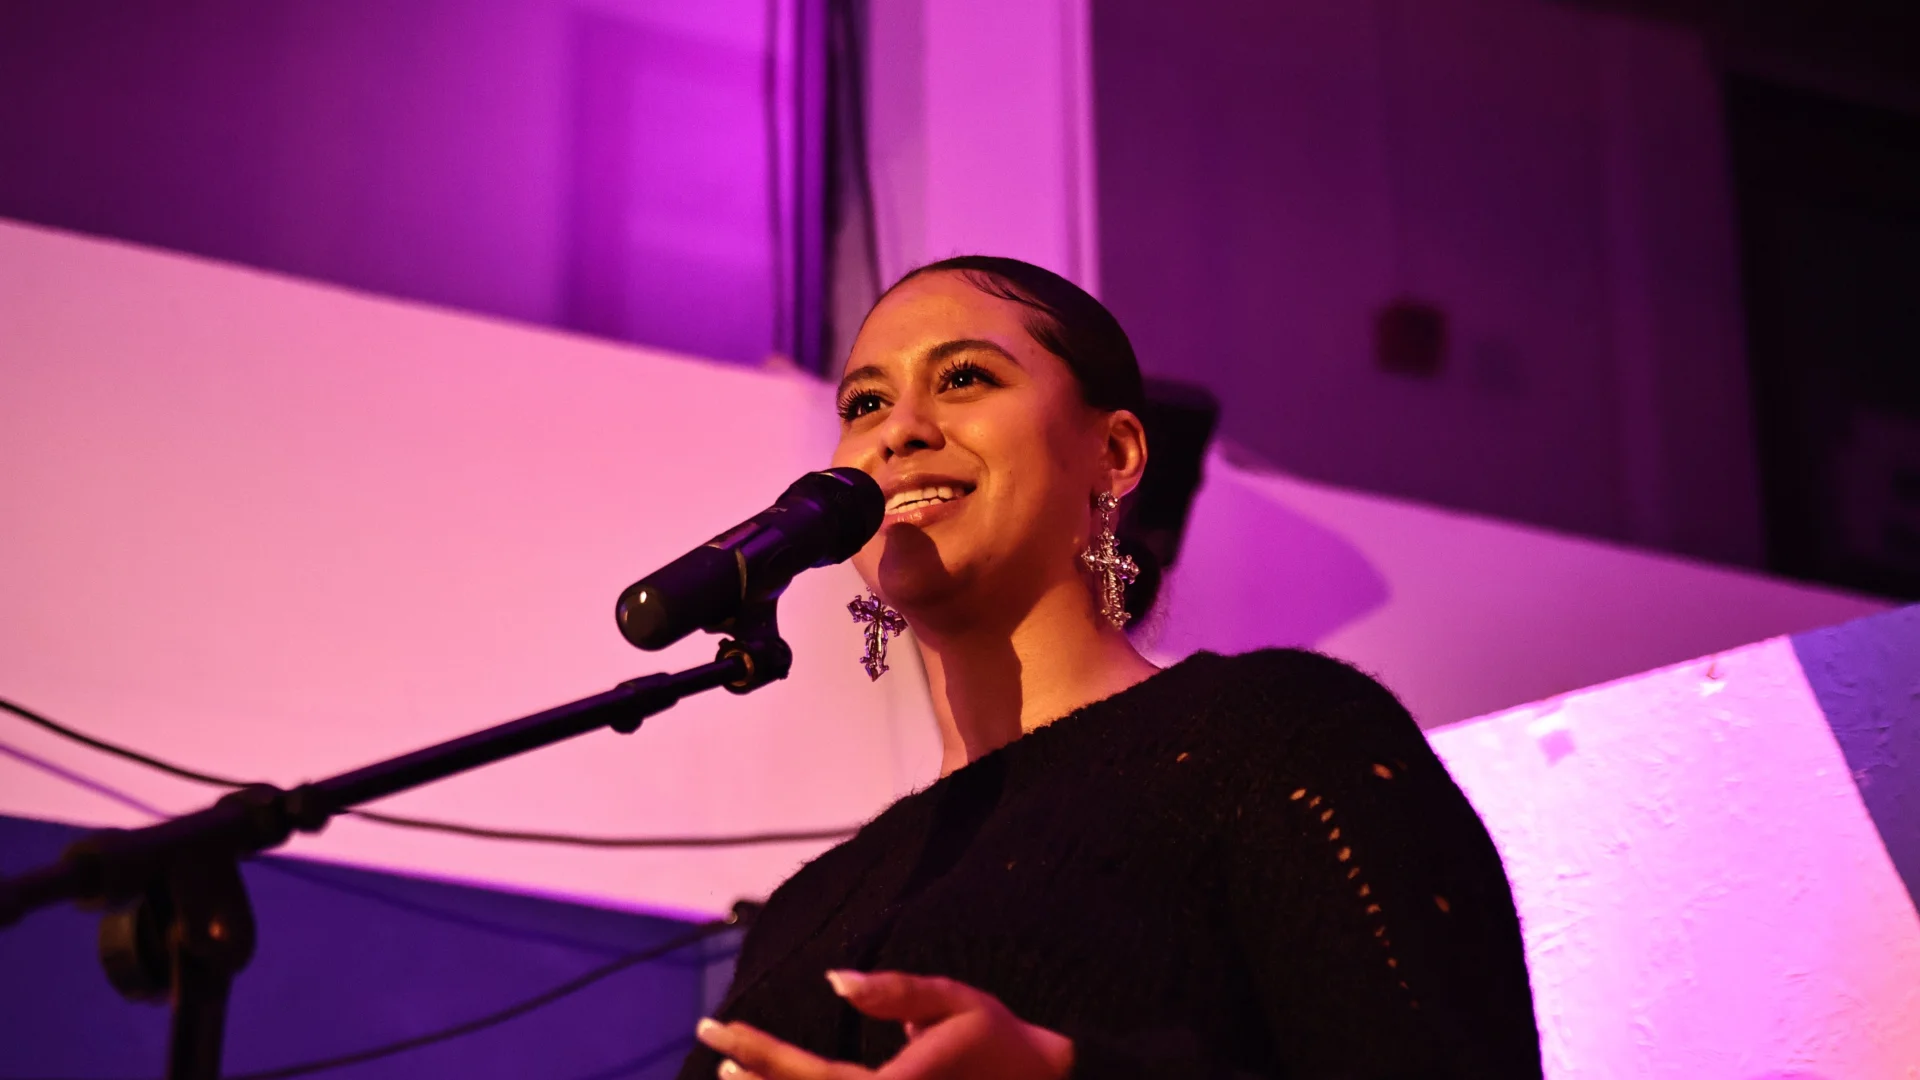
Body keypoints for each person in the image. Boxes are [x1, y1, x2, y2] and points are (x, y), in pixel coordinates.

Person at [681, 256, 1541, 1079]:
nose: (899, 429)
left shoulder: (1274, 741)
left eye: (965, 378)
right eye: (865, 402)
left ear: (1117, 454)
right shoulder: (802, 917)